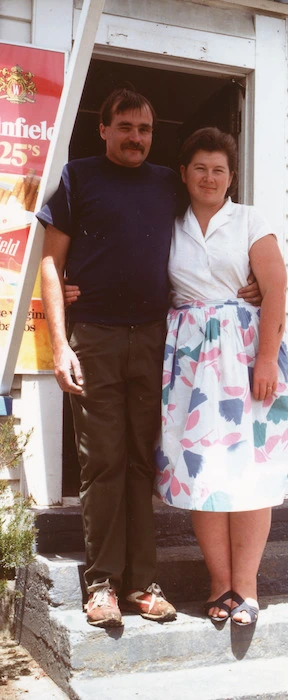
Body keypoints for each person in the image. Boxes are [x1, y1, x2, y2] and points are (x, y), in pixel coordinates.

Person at [38, 88, 259, 628]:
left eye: (145, 130)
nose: (136, 138)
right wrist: (60, 343)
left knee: (143, 460)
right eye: (126, 127)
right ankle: (102, 585)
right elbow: (50, 262)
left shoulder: (168, 183)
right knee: (103, 460)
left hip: (158, 339)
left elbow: (210, 228)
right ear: (105, 129)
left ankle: (141, 584)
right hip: (96, 337)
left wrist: (245, 284)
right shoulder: (77, 177)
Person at [155, 127, 288, 626]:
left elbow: (275, 288)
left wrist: (265, 359)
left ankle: (248, 589)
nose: (209, 177)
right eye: (200, 168)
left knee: (251, 470)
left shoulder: (249, 220)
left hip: (244, 355)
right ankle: (220, 584)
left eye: (219, 169)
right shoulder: (170, 223)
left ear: (231, 177)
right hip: (190, 361)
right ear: (184, 173)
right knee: (202, 472)